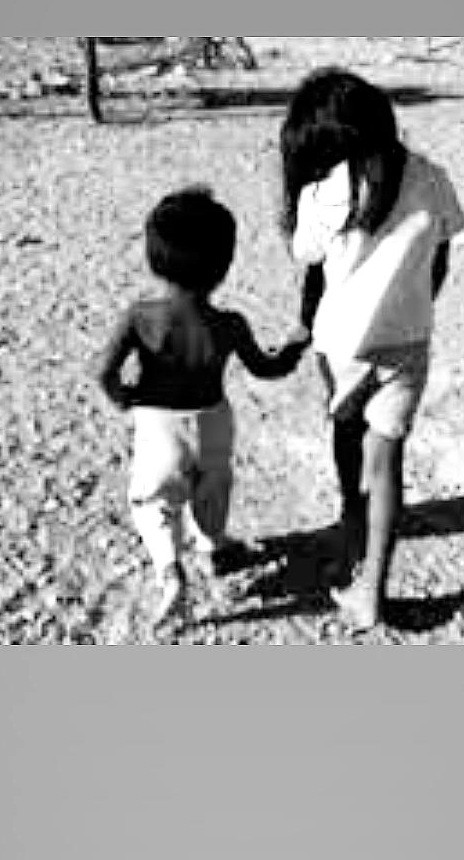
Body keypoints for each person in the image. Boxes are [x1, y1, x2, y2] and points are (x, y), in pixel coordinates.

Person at [280, 69, 464, 631]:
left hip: (342, 346)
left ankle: (350, 517)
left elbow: (304, 254)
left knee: (346, 434)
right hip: (408, 343)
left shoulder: (326, 191)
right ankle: (372, 594)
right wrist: (415, 303)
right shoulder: (432, 177)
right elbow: (441, 255)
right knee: (388, 465)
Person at [97, 186, 309, 630]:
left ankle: (171, 572)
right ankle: (212, 546)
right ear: (223, 268)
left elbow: (103, 372)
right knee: (213, 489)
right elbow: (267, 368)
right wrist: (294, 346)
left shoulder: (140, 317)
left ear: (153, 258)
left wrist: (123, 398)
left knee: (154, 504)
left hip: (160, 427)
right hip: (213, 421)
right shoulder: (230, 324)